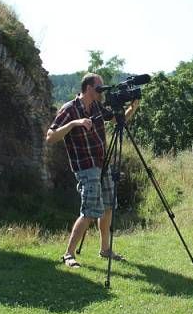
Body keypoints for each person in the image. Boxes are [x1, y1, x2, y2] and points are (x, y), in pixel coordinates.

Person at [46, 73, 139, 268]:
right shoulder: (70, 109)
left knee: (107, 207)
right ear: (88, 87)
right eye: (99, 87)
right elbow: (50, 137)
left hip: (102, 163)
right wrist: (74, 123)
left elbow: (117, 121)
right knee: (88, 210)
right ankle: (68, 254)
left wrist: (133, 107)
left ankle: (105, 249)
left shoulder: (97, 106)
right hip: (86, 167)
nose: (102, 91)